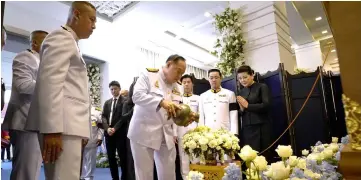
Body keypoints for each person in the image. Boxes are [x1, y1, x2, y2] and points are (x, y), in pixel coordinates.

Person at [25, 1, 97, 179]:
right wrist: (52, 129)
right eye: (92, 20)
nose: (94, 26)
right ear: (77, 14)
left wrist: (84, 129)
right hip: (62, 127)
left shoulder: (71, 41)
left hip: (69, 127)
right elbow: (50, 83)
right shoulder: (61, 37)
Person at [128, 54, 197, 180]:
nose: (180, 76)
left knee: (169, 175)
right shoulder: (148, 75)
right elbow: (136, 96)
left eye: (182, 73)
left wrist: (185, 118)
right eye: (178, 71)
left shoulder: (178, 86)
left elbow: (175, 112)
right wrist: (160, 102)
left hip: (166, 134)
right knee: (144, 175)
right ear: (169, 64)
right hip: (143, 132)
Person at [2, 30, 48, 180]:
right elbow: (23, 85)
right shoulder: (26, 57)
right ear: (34, 43)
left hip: (35, 123)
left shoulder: (41, 62)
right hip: (26, 121)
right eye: (46, 43)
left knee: (31, 170)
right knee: (25, 172)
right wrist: (52, 84)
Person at [236, 65, 272, 154]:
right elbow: (240, 112)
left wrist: (248, 106)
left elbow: (266, 105)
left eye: (245, 77)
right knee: (249, 154)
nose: (242, 80)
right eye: (240, 78)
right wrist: (242, 109)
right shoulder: (241, 92)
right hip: (247, 127)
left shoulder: (262, 87)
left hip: (261, 126)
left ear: (252, 75)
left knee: (263, 153)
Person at [199, 69, 238, 134]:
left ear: (221, 78)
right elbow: (201, 116)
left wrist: (234, 132)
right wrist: (201, 133)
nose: (214, 80)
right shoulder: (202, 96)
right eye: (211, 78)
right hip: (208, 133)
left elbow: (233, 114)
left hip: (225, 132)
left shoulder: (230, 94)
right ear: (208, 79)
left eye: (216, 77)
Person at [101, 80, 127, 180]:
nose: (113, 91)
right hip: (109, 133)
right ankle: (114, 178)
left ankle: (124, 177)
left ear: (119, 89)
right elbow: (103, 116)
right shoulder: (107, 103)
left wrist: (115, 128)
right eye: (111, 89)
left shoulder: (124, 101)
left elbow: (123, 117)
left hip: (119, 132)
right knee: (111, 158)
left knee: (122, 157)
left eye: (115, 89)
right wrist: (107, 128)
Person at [176, 74, 200, 179]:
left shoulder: (198, 98)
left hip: (195, 133)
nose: (186, 84)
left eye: (188, 82)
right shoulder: (177, 99)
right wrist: (174, 134)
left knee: (196, 158)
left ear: (192, 84)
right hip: (181, 132)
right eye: (184, 82)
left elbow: (201, 116)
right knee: (183, 159)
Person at [121, 77, 139, 180]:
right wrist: (134, 109)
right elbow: (124, 117)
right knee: (131, 159)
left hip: (144, 134)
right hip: (131, 134)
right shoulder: (127, 103)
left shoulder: (144, 102)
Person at [81, 106, 104, 180]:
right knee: (79, 159)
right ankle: (80, 176)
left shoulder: (96, 111)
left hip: (92, 140)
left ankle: (88, 177)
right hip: (78, 140)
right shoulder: (77, 108)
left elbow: (101, 125)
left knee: (90, 160)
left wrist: (100, 137)